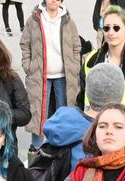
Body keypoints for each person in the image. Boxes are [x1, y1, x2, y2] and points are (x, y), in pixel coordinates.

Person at [23, 0, 85, 134]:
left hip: (63, 76)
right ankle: (37, 145)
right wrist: (28, 66)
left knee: (64, 115)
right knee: (39, 115)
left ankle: (60, 144)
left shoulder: (68, 21)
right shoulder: (33, 20)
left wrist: (75, 66)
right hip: (39, 76)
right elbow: (25, 44)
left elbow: (76, 46)